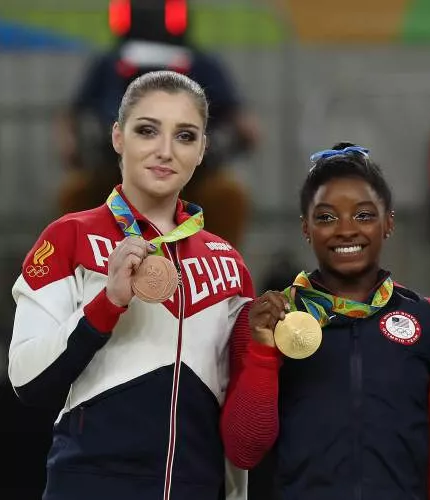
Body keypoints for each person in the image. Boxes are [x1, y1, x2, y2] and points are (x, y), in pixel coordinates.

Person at [9, 70, 254, 500]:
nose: (165, 151)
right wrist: (108, 302)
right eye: (147, 131)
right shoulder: (70, 238)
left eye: (185, 136)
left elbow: (238, 408)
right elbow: (28, 380)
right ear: (118, 137)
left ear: (202, 150)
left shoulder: (228, 263)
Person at [220, 143, 430, 499]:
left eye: (364, 215)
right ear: (306, 227)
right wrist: (263, 353)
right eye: (326, 217)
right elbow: (244, 451)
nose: (345, 230)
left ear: (388, 222)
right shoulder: (268, 321)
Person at [55, 0, 258, 247]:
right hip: (117, 172)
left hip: (186, 177)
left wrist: (73, 146)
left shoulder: (111, 62)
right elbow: (247, 129)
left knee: (227, 197)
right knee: (75, 194)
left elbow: (245, 126)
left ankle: (217, 261)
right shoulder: (110, 63)